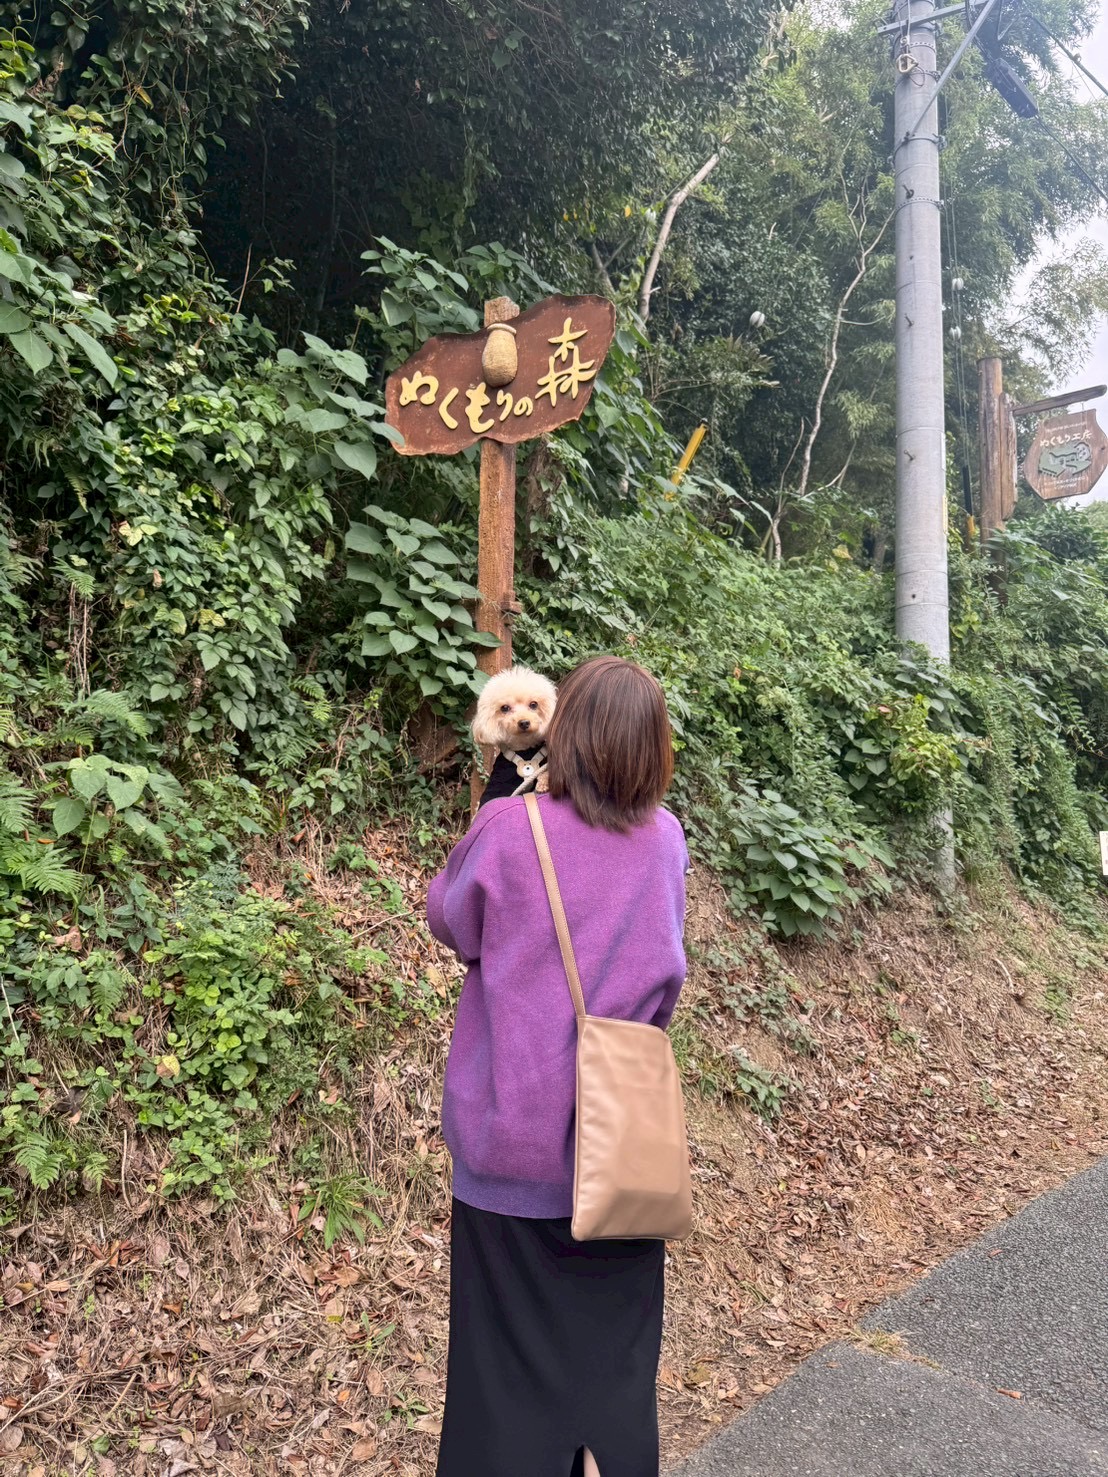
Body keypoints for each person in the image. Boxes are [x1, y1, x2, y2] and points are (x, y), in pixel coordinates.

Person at [427, 654, 690, 1477]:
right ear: (655, 750)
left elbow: (450, 920)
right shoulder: (666, 839)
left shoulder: (511, 827)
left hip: (511, 1151)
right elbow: (667, 976)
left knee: (500, 1389)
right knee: (613, 1382)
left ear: (565, 728)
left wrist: (492, 812)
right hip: (623, 1161)